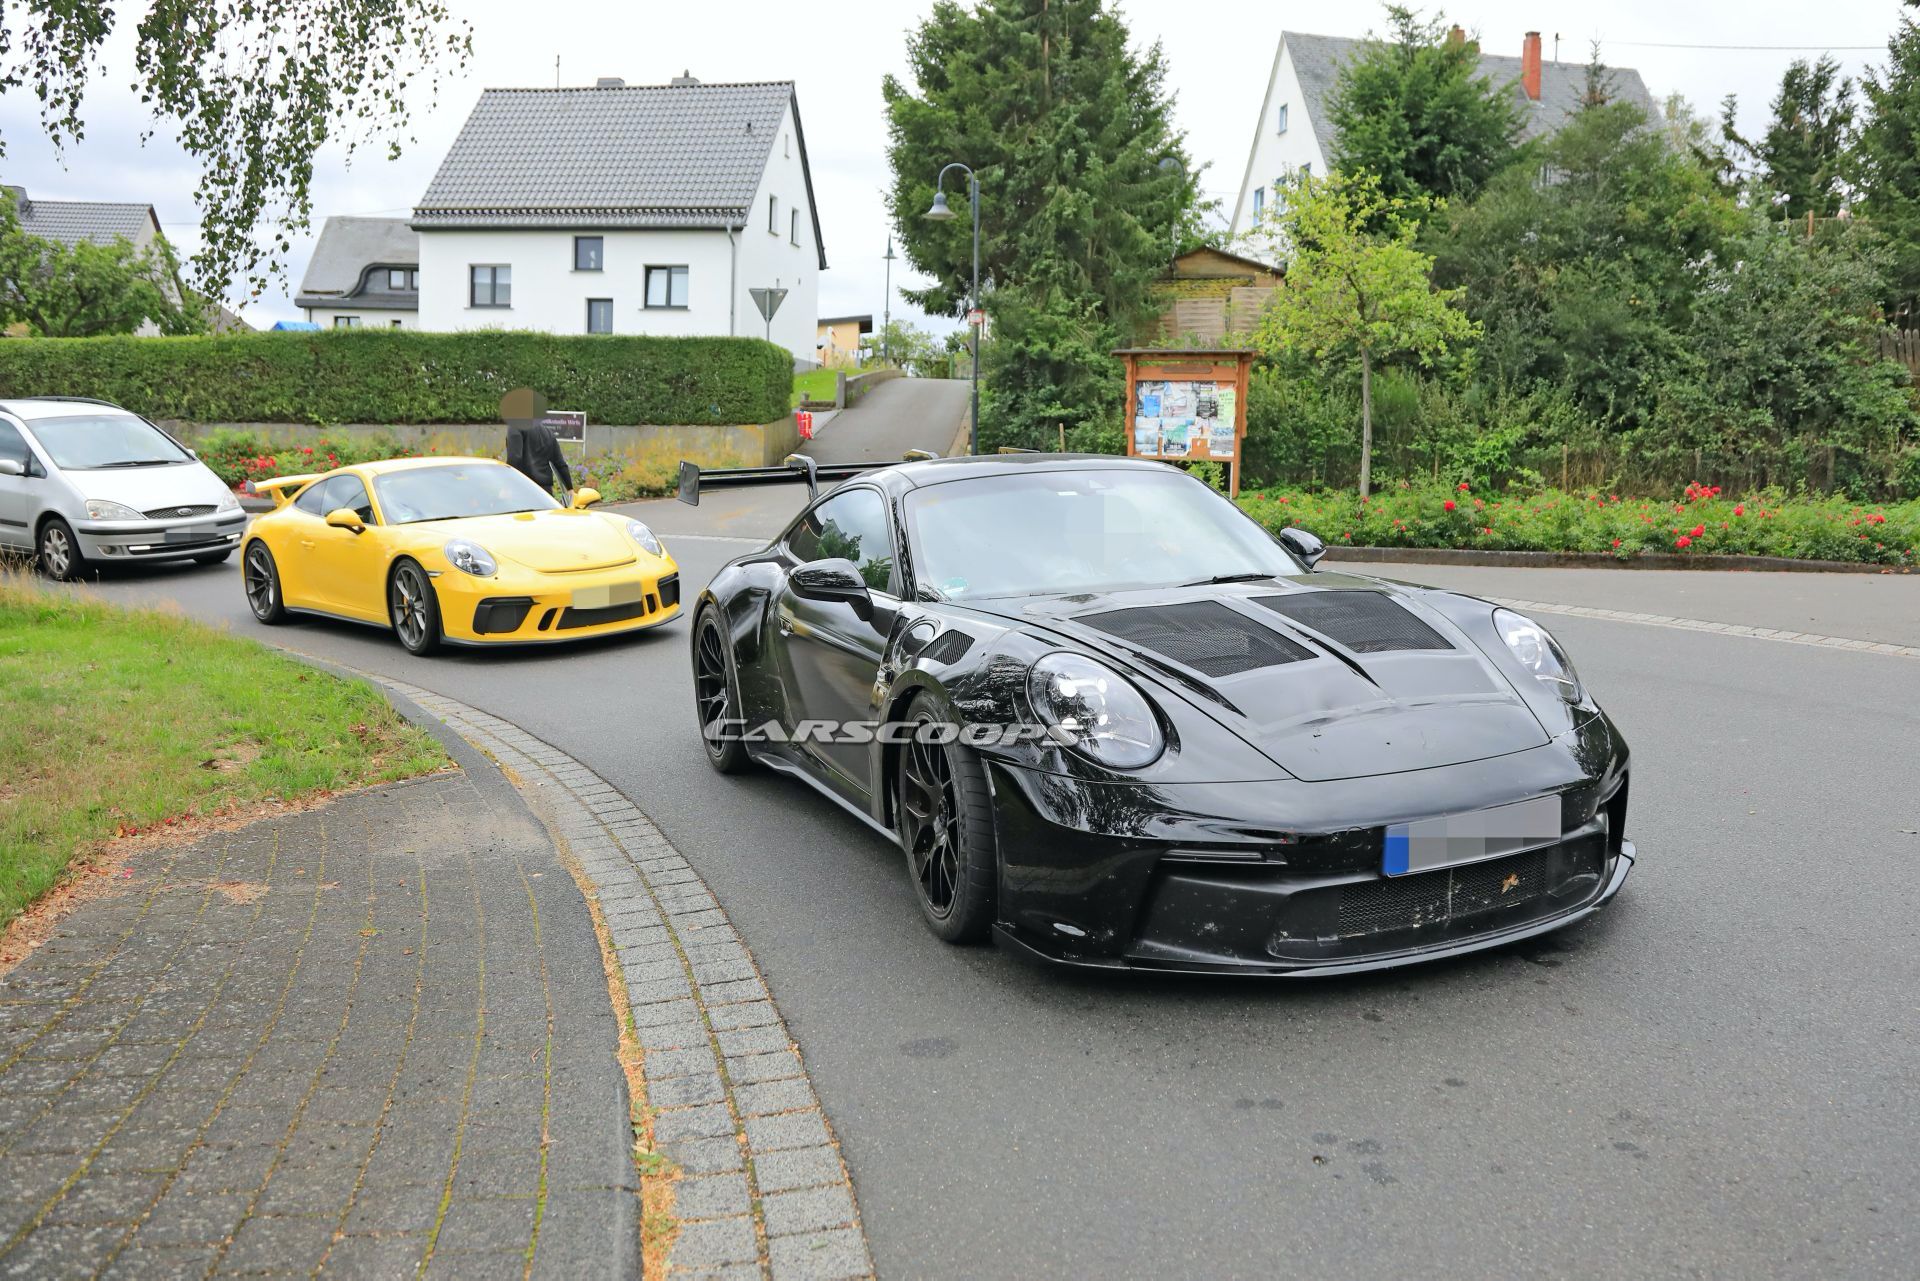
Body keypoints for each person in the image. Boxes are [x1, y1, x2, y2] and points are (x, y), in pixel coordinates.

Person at [501, 388, 575, 501]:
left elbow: (515, 458)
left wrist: (508, 485)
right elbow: (560, 464)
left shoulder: (515, 427)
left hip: (524, 489)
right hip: (545, 493)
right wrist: (570, 489)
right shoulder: (548, 432)